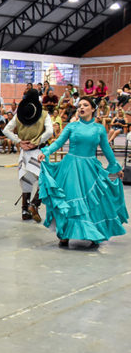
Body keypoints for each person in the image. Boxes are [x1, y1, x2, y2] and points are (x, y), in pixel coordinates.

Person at [37, 96, 127, 248]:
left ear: (93, 109)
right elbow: (59, 142)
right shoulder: (72, 126)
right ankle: (65, 234)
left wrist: (115, 167)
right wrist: (46, 152)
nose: (81, 108)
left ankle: (92, 234)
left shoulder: (99, 129)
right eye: (79, 105)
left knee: (92, 202)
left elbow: (106, 149)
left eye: (85, 105)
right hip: (71, 167)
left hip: (90, 168)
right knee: (71, 199)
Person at [1, 89, 54, 222]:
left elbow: (6, 130)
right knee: (45, 180)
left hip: (24, 152)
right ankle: (34, 204)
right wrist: (37, 141)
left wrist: (19, 141)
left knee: (26, 180)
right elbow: (49, 132)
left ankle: (25, 210)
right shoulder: (43, 114)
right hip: (38, 151)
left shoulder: (20, 114)